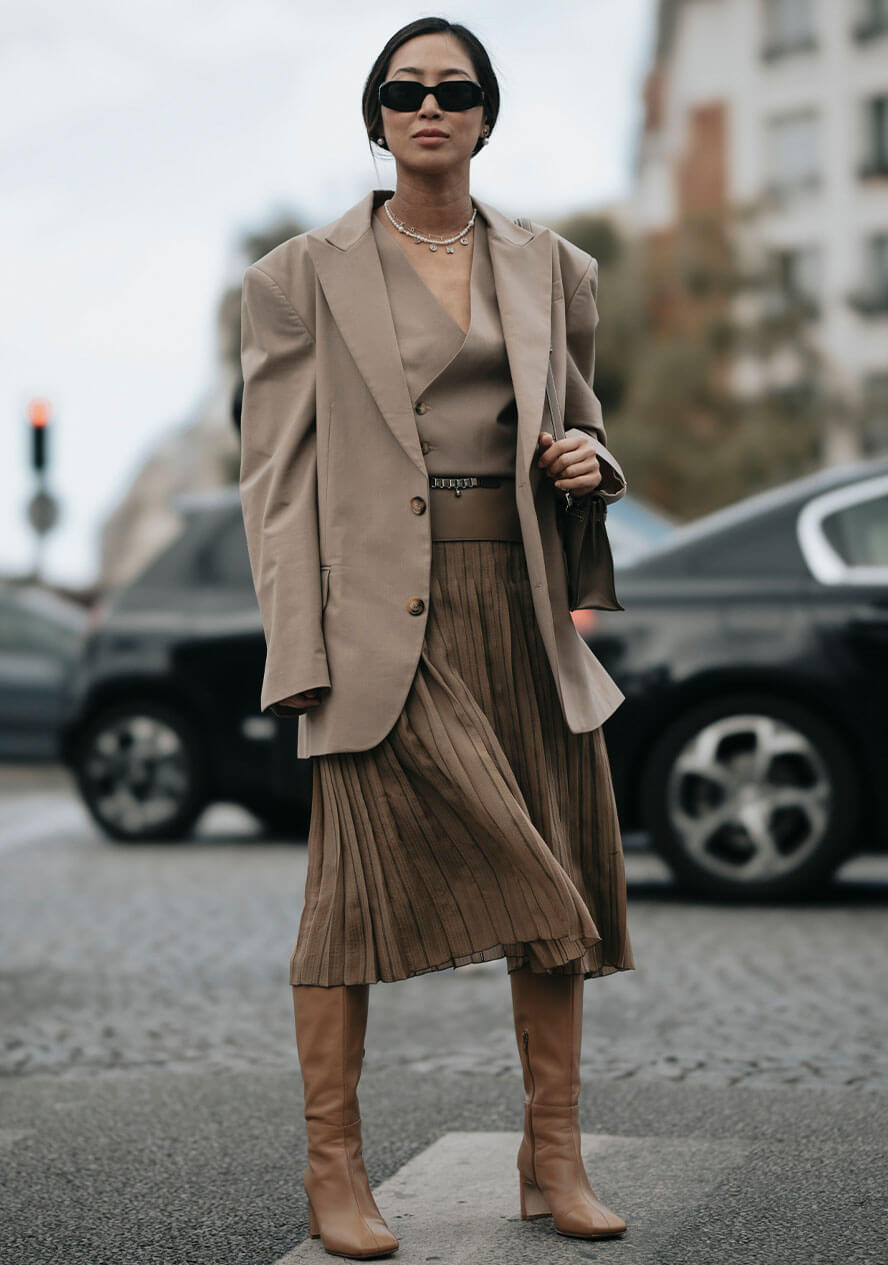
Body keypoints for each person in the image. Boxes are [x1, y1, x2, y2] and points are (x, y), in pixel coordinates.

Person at [239, 16, 636, 1259]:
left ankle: (552, 1156)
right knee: (345, 902)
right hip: (374, 626)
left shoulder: (555, 267)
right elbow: (276, 481)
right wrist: (298, 652)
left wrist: (594, 462)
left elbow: (580, 422)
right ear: (376, 115)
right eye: (406, 90)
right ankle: (335, 1167)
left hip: (513, 604)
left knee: (556, 884)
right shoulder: (298, 276)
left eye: (455, 90)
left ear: (483, 115)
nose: (431, 106)